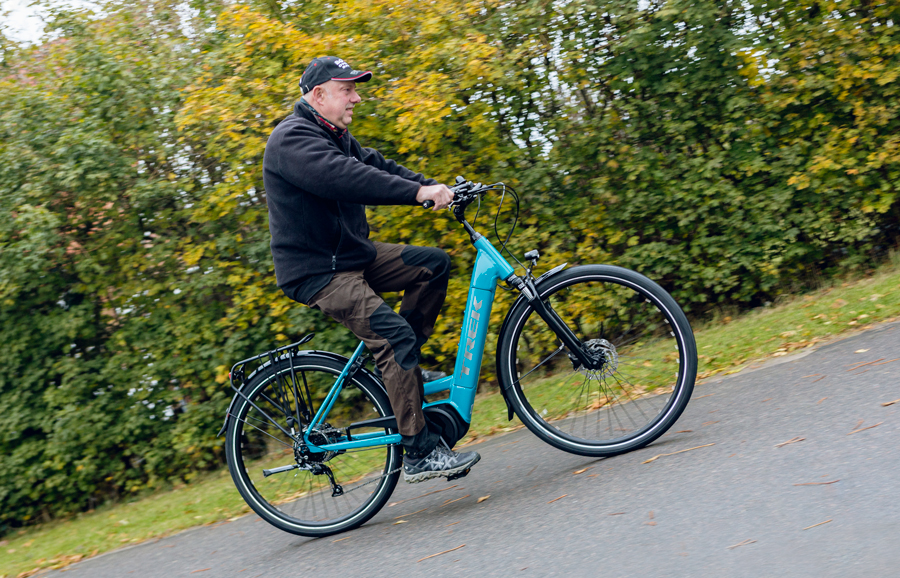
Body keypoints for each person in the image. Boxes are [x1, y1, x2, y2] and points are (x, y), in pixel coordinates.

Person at [262, 56, 480, 483]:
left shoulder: (337, 135)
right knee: (392, 335)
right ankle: (418, 451)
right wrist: (417, 193)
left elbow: (375, 166)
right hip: (317, 272)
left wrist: (440, 187)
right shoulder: (292, 140)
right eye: (348, 90)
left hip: (350, 255)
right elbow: (346, 178)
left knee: (432, 265)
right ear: (318, 95)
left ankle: (406, 368)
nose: (356, 98)